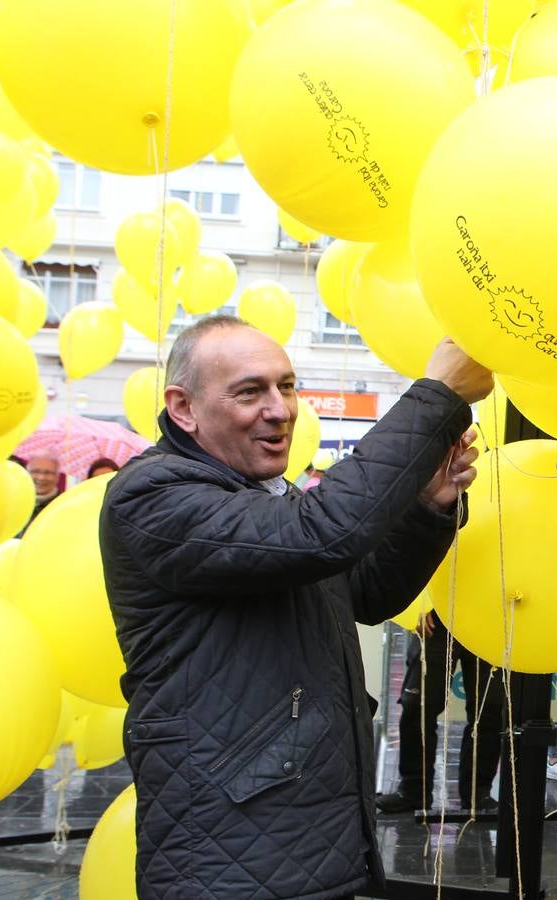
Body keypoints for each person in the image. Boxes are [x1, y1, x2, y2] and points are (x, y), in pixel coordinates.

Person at [101, 314, 492, 899]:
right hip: (229, 852)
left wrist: (426, 507)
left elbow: (368, 593)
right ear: (183, 408)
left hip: (308, 831)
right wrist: (436, 398)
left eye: (286, 386)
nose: (280, 409)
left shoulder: (266, 494)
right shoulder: (153, 495)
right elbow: (323, 532)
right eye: (249, 392)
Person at [376, 607, 505, 815]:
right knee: (417, 706)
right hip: (439, 613)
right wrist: (421, 604)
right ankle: (414, 791)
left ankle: (478, 794)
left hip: (490, 616)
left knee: (488, 709)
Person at [17, 452, 61, 536]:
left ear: (57, 477)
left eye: (48, 473)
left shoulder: (62, 505)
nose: (41, 477)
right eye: (35, 471)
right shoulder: (14, 502)